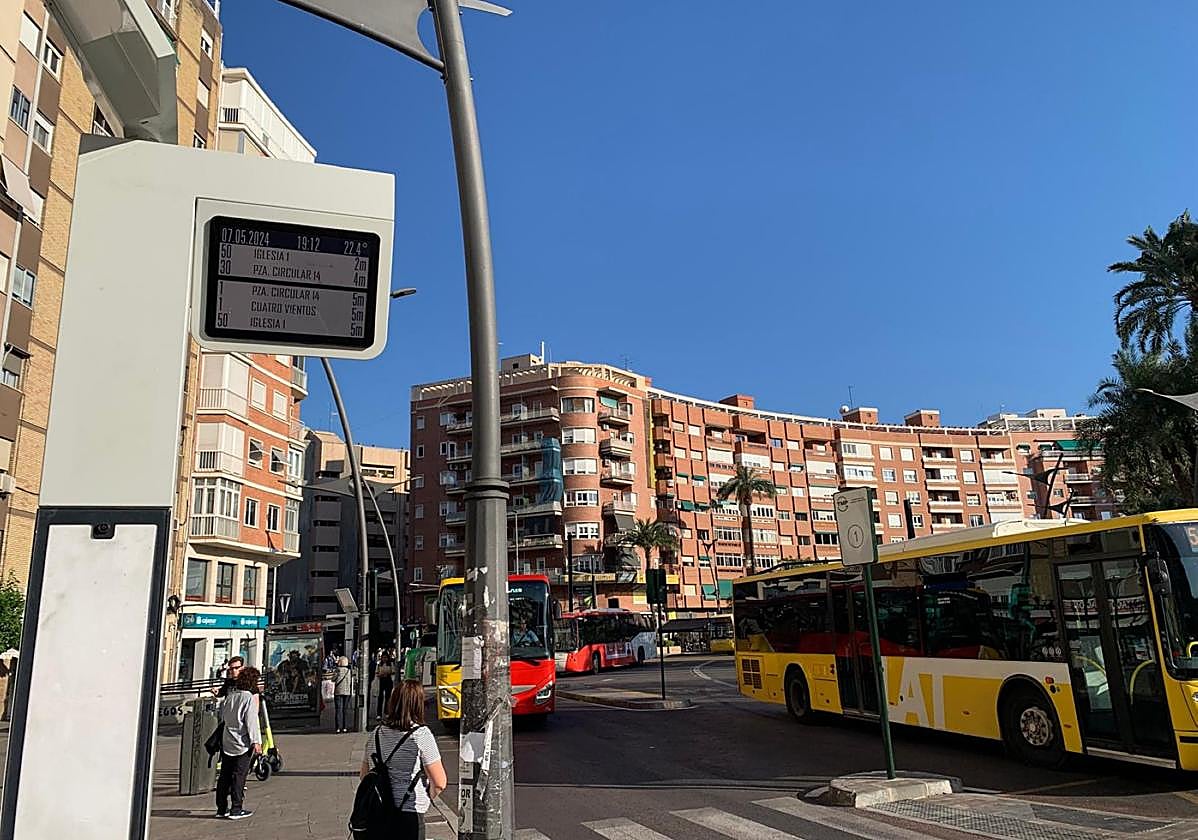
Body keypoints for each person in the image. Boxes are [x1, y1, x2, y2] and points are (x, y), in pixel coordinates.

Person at [360, 680, 447, 839]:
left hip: (378, 812)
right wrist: (428, 796)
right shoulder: (421, 735)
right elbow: (440, 782)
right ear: (418, 704)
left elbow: (364, 776)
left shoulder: (376, 734)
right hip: (410, 813)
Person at [216, 666, 262, 820]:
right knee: (239, 776)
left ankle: (221, 808)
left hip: (228, 739)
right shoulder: (248, 697)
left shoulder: (231, 695)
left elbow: (223, 717)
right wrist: (256, 741)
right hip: (242, 742)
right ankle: (236, 809)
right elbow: (251, 721)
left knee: (225, 775)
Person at [334, 655, 353, 733]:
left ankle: (338, 727)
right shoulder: (349, 671)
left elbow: (333, 679)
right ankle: (345, 727)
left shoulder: (337, 670)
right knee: (345, 710)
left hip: (338, 691)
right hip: (347, 692)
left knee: (338, 710)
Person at [375, 653, 395, 719]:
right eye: (383, 657)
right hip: (381, 681)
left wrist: (388, 673)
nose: (384, 659)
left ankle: (387, 712)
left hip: (388, 680)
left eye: (386, 657)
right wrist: (381, 674)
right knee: (380, 697)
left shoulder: (391, 664)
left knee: (388, 697)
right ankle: (379, 713)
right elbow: (376, 673)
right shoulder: (379, 664)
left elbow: (393, 671)